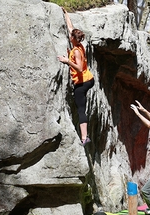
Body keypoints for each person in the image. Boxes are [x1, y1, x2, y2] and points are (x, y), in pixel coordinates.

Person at [57, 8, 94, 146]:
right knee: (81, 107)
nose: (69, 36)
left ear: (73, 39)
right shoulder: (79, 45)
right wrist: (66, 14)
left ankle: (84, 137)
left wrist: (67, 61)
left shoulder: (77, 51)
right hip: (88, 79)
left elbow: (78, 68)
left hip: (83, 82)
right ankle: (85, 136)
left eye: (70, 36)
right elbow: (70, 28)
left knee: (80, 109)